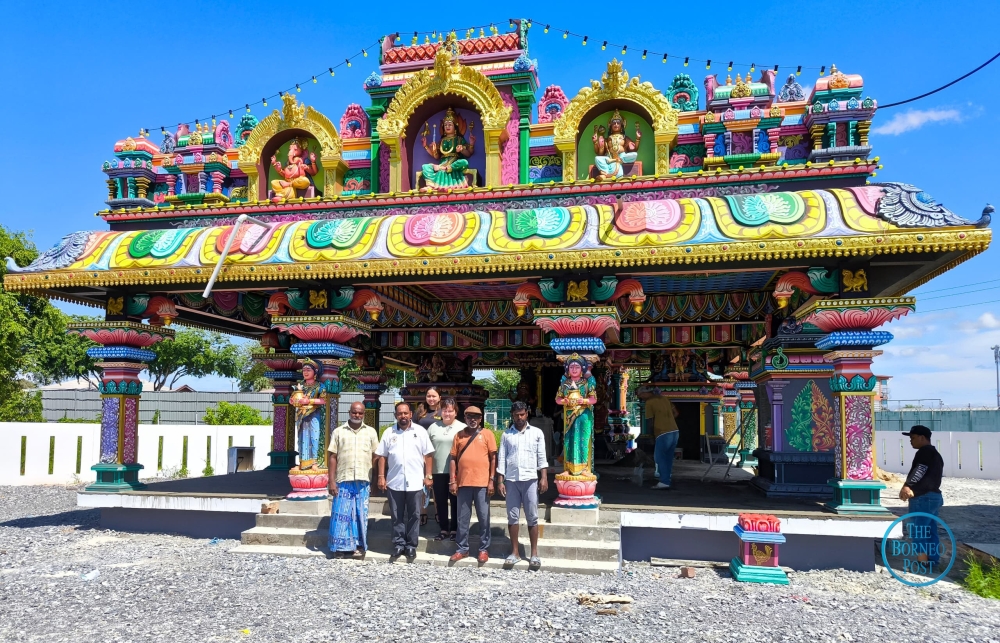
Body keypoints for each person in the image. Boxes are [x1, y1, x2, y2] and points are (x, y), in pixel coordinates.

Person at [375, 402, 434, 561]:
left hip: (415, 481)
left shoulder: (420, 431)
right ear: (395, 415)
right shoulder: (389, 432)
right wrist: (381, 476)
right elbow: (382, 456)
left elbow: (428, 455)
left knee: (414, 515)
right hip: (395, 481)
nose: (403, 416)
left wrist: (428, 476)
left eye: (406, 413)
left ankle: (411, 546)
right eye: (400, 414)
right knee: (396, 515)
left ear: (411, 414)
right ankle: (398, 544)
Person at [497, 401, 549, 570]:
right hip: (511, 481)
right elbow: (501, 459)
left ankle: (534, 554)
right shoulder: (506, 435)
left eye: (522, 414)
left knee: (532, 516)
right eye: (516, 415)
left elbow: (542, 457)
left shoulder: (537, 433)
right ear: (512, 416)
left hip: (530, 480)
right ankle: (515, 553)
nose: (519, 418)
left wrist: (543, 478)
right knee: (512, 517)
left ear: (527, 413)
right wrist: (500, 480)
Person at [327, 401, 378, 559]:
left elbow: (376, 457)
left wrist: (375, 480)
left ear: (364, 414)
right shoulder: (338, 432)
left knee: (359, 515)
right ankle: (340, 548)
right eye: (355, 412)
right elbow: (332, 457)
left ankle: (358, 546)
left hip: (363, 480)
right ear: (349, 412)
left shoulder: (371, 432)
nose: (357, 415)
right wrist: (331, 481)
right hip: (343, 479)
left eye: (360, 413)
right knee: (341, 514)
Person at [448, 406, 497, 565]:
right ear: (465, 418)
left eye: (476, 417)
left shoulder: (487, 434)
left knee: (484, 518)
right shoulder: (459, 435)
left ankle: (483, 549)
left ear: (481, 418)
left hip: (482, 483)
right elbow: (453, 459)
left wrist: (492, 480)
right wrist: (452, 480)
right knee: (462, 519)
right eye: (469, 416)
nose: (473, 419)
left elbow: (493, 458)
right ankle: (462, 548)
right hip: (463, 483)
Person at [900, 425, 945, 565]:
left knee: (917, 530)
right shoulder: (935, 454)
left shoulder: (924, 452)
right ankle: (932, 561)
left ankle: (922, 563)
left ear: (922, 438)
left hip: (922, 497)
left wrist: (908, 486)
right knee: (930, 531)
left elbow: (919, 470)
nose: (911, 441)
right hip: (934, 497)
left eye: (913, 438)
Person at [427, 397, 465, 542]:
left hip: (456, 472)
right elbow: (427, 451)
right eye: (445, 410)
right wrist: (428, 473)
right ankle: (443, 529)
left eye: (450, 411)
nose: (447, 414)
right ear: (440, 411)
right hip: (437, 471)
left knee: (456, 501)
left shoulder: (461, 427)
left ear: (455, 412)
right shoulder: (433, 427)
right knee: (440, 501)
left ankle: (455, 529)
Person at [638, 385, 680, 489]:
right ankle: (666, 476)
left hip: (662, 433)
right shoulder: (664, 398)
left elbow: (650, 421)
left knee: (659, 457)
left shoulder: (649, 403)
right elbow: (676, 413)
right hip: (675, 431)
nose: (640, 398)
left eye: (640, 395)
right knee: (668, 457)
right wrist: (667, 420)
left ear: (645, 393)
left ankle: (664, 481)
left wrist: (651, 435)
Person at [290, 359, 327, 470]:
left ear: (315, 372)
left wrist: (309, 401)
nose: (305, 372)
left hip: (314, 414)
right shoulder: (300, 385)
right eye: (303, 370)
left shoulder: (320, 386)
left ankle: (314, 462)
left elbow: (324, 401)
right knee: (301, 438)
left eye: (308, 370)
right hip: (301, 415)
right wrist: (292, 401)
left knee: (314, 437)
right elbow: (292, 398)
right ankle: (302, 462)